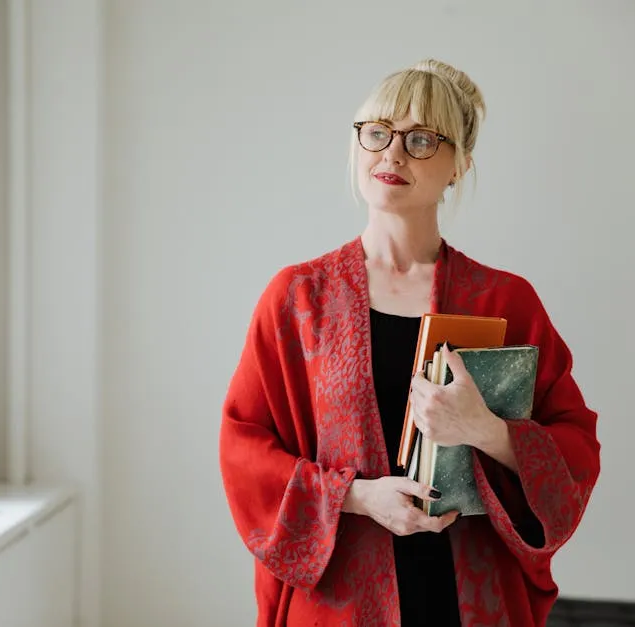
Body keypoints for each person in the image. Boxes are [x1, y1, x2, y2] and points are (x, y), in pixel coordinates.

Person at [218, 58, 601, 627]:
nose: (392, 154)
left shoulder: (505, 302)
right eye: (377, 133)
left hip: (469, 595)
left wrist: (487, 431)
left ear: (459, 165)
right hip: (342, 599)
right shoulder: (299, 300)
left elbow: (575, 450)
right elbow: (243, 448)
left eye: (421, 139)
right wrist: (357, 496)